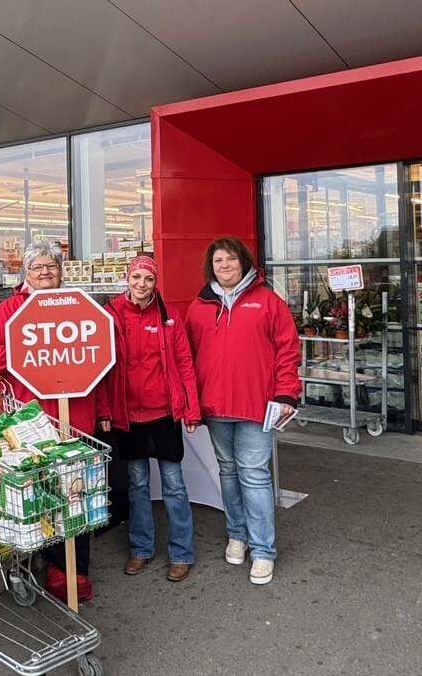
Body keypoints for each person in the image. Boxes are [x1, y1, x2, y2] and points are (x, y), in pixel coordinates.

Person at [0, 241, 100, 602]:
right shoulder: (9, 310)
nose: (46, 273)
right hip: (32, 425)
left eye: (52, 267)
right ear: (25, 273)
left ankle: (76, 573)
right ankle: (55, 567)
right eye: (38, 268)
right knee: (43, 499)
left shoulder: (78, 307)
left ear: (61, 271)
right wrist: (29, 347)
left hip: (75, 419)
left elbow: (100, 354)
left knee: (78, 497)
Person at [184, 237, 301, 587]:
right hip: (216, 406)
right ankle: (238, 535)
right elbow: (187, 357)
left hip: (256, 406)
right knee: (228, 472)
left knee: (254, 474)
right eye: (218, 260)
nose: (224, 265)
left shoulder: (267, 302)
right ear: (211, 266)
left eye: (230, 259)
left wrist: (287, 394)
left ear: (244, 263)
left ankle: (263, 550)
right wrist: (191, 404)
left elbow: (288, 350)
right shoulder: (200, 306)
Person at [97, 255, 201, 582]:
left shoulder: (169, 315)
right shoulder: (110, 315)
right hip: (128, 416)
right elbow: (99, 368)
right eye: (137, 277)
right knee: (138, 484)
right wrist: (104, 411)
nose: (142, 284)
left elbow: (184, 363)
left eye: (149, 279)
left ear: (156, 283)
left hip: (164, 413)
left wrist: (192, 409)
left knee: (174, 484)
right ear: (128, 278)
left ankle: (181, 553)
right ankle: (141, 549)